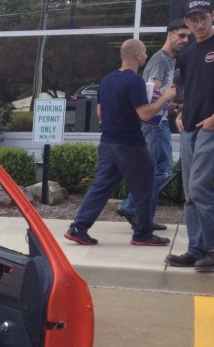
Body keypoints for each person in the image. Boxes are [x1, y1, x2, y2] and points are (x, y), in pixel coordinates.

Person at [64, 38, 176, 247]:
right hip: (130, 143)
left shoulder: (107, 80)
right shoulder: (135, 82)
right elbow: (145, 114)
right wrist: (165, 97)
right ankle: (142, 233)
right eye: (143, 52)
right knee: (146, 183)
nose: (145, 55)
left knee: (101, 186)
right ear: (136, 55)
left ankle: (78, 228)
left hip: (107, 143)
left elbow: (100, 112)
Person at [165, 0, 214, 272]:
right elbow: (188, 90)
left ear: (213, 15)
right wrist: (180, 114)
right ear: (187, 23)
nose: (199, 24)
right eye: (193, 20)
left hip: (213, 127)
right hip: (188, 127)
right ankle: (197, 248)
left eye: (203, 18)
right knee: (190, 192)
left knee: (201, 185)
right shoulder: (187, 53)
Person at [116, 19, 190, 231]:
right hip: (155, 124)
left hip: (158, 121)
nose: (185, 40)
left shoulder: (168, 60)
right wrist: (164, 104)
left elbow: (160, 96)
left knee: (155, 169)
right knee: (159, 169)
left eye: (188, 36)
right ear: (170, 35)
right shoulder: (161, 60)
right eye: (181, 35)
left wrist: (174, 106)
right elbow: (151, 93)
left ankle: (143, 217)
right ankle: (132, 207)